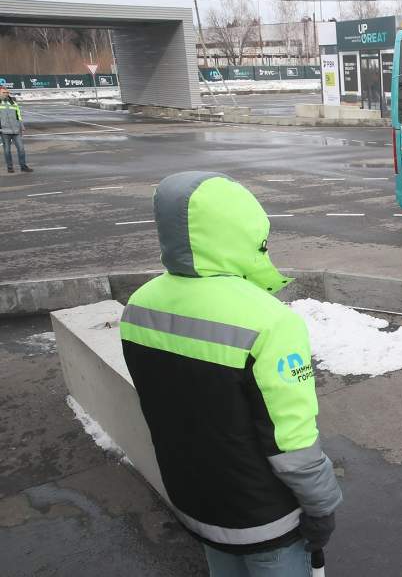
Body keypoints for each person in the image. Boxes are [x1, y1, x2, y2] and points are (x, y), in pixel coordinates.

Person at [120, 171, 342, 576]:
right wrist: (322, 506)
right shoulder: (269, 321)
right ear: (244, 229)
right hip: (265, 519)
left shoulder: (139, 306)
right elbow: (291, 441)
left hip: (197, 505)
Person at [0, 86, 31, 174]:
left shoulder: (13, 103)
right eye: (4, 93)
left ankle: (23, 166)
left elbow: (18, 115)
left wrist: (21, 126)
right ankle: (10, 167)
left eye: (7, 93)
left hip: (16, 130)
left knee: (21, 149)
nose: (6, 94)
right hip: (4, 131)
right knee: (7, 150)